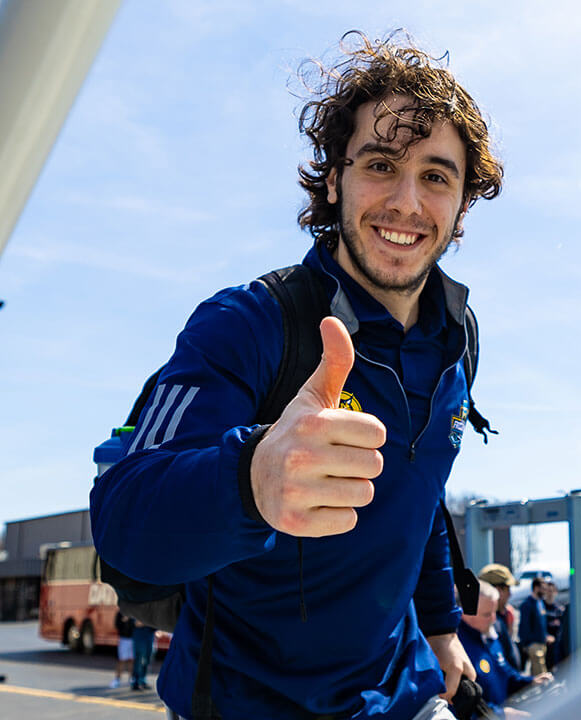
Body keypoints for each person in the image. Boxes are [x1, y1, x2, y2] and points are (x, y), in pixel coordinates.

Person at [89, 29, 504, 720]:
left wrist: (439, 624)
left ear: (461, 206)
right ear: (335, 178)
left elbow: (418, 491)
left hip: (402, 697)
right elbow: (123, 518)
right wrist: (249, 478)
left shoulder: (458, 338)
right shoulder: (248, 324)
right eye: (380, 164)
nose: (406, 201)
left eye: (436, 175)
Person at [455, 582, 551, 718]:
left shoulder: (489, 636)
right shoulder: (457, 648)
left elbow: (505, 672)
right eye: (487, 614)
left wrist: (530, 682)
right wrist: (500, 714)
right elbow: (462, 702)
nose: (493, 619)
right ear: (465, 614)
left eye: (494, 612)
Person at [477, 564, 520, 674]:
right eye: (507, 589)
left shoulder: (501, 617)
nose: (510, 594)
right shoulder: (482, 623)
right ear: (497, 590)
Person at [516, 578, 551, 675]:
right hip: (533, 645)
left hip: (542, 643)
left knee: (535, 673)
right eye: (543, 588)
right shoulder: (527, 604)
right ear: (536, 588)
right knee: (541, 673)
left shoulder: (540, 603)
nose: (545, 591)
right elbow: (524, 626)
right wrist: (527, 644)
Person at [540, 581, 565, 668]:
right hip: (542, 642)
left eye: (552, 591)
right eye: (548, 590)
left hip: (556, 644)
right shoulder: (540, 607)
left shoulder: (559, 610)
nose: (550, 593)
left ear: (556, 592)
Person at [112, 611, 135, 689]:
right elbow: (116, 625)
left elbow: (136, 625)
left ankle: (131, 678)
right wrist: (123, 621)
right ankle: (117, 679)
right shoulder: (120, 613)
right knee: (121, 660)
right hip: (124, 638)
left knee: (131, 660)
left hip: (133, 639)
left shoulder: (134, 613)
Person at [131, 623, 157, 691]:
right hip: (140, 637)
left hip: (150, 636)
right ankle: (136, 682)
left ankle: (143, 680)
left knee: (148, 659)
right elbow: (137, 623)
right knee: (139, 659)